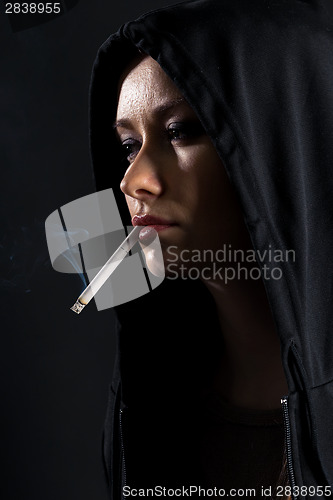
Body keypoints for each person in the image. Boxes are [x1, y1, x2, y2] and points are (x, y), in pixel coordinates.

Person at [89, 1, 333, 499]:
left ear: (283, 141)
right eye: (128, 146)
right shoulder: (147, 405)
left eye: (179, 131)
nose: (132, 181)